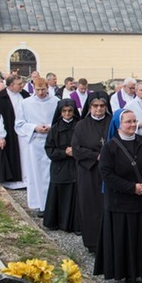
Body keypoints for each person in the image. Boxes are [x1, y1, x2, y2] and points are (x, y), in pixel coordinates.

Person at [93, 109, 142, 283]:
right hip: (122, 203)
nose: (133, 125)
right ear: (119, 124)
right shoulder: (110, 147)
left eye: (134, 121)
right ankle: (130, 275)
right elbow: (107, 175)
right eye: (128, 122)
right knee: (127, 240)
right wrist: (133, 188)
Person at [72, 92, 112, 253]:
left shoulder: (112, 122)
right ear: (89, 107)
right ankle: (93, 243)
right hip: (89, 171)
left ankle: (111, 241)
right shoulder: (81, 125)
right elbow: (76, 149)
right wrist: (96, 156)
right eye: (95, 106)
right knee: (91, 206)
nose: (99, 109)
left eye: (102, 106)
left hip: (110, 171)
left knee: (108, 205)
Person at [15, 78, 57, 217]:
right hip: (35, 142)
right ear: (33, 88)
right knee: (38, 174)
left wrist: (51, 127)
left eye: (43, 90)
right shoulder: (26, 103)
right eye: (38, 90)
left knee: (52, 174)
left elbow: (60, 121)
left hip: (52, 142)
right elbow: (19, 124)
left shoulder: (55, 102)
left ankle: (55, 204)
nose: (40, 93)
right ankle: (41, 204)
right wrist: (34, 127)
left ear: (47, 88)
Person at [44, 99, 81, 232]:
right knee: (59, 195)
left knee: (76, 196)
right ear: (60, 112)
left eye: (70, 111)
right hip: (60, 167)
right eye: (64, 111)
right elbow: (49, 149)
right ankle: (56, 222)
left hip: (76, 166)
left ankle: (76, 225)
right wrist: (64, 153)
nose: (67, 114)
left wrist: (75, 152)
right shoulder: (54, 129)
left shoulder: (80, 126)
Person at [0, 74, 28, 189]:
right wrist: (0, 136)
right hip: (10, 133)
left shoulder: (24, 94)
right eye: (19, 84)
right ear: (11, 85)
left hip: (24, 131)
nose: (22, 85)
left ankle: (27, 178)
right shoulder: (1, 98)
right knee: (12, 154)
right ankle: (13, 180)